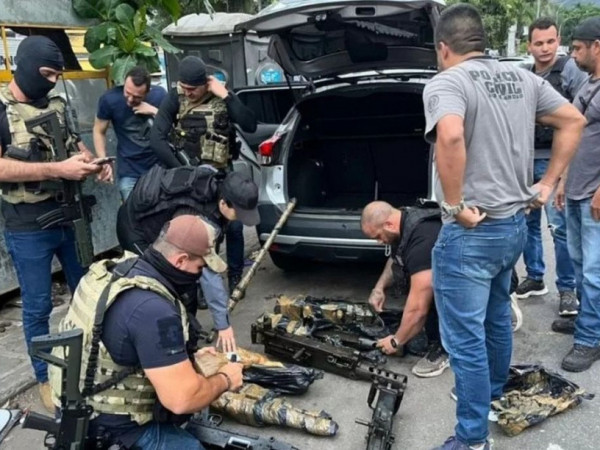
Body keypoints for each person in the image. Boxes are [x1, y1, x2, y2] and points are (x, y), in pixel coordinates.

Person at [423, 5, 585, 450]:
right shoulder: (523, 78)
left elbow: (450, 136)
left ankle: (472, 438)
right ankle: (492, 394)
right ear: (481, 40)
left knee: (464, 340)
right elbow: (573, 120)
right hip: (513, 225)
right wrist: (547, 184)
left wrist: (454, 205)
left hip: (471, 232)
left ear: (443, 47)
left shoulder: (447, 82)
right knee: (495, 316)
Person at [49, 215, 243, 449]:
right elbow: (182, 399)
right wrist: (225, 379)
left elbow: (121, 339)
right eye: (200, 267)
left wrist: (187, 359)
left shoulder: (115, 271)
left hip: (73, 407)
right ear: (181, 260)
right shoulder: (153, 310)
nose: (199, 274)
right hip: (109, 427)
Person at [0, 36, 108, 413]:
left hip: (71, 215)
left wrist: (92, 162)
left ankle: (91, 365)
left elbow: (75, 143)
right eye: (47, 74)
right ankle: (46, 378)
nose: (52, 82)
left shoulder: (58, 104)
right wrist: (56, 169)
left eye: (57, 75)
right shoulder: (2, 109)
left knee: (87, 293)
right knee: (37, 306)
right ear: (26, 66)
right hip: (28, 224)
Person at [116, 164, 260, 353]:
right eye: (239, 213)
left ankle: (188, 341)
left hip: (164, 224)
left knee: (188, 285)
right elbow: (209, 275)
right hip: (137, 230)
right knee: (164, 288)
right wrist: (223, 325)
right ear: (223, 203)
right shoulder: (198, 220)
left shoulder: (216, 180)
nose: (241, 219)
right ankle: (165, 350)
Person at [150, 55, 257, 295]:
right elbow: (156, 139)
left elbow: (250, 124)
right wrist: (183, 170)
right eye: (184, 87)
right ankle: (197, 283)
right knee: (198, 231)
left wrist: (226, 95)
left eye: (193, 89)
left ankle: (235, 276)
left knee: (234, 227)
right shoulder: (175, 97)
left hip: (222, 173)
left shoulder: (220, 94)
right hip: (191, 178)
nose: (188, 93)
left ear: (205, 83)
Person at [515, 18, 586, 317]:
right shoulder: (525, 75)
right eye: (539, 43)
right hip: (526, 159)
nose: (545, 48)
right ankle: (535, 277)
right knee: (527, 224)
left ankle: (567, 289)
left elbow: (580, 118)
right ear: (529, 46)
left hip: (555, 160)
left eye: (550, 41)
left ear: (559, 41)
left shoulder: (570, 70)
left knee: (559, 228)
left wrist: (567, 168)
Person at [555, 17, 600, 372]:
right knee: (580, 264)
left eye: (578, 48)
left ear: (597, 46)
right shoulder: (588, 83)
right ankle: (588, 318)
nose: (572, 54)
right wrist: (561, 181)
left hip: (594, 194)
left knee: (595, 271)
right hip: (575, 190)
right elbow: (576, 136)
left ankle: (590, 338)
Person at [361, 201, 450, 378]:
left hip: (471, 281)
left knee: (431, 297)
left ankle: (444, 348)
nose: (379, 242)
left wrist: (396, 341)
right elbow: (397, 257)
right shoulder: (404, 221)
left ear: (389, 225)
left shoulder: (423, 241)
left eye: (378, 236)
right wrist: (379, 288)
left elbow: (418, 308)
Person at [93, 65, 166, 200]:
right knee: (132, 210)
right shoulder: (109, 99)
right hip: (129, 170)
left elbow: (173, 126)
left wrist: (154, 111)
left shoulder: (160, 96)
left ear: (148, 92)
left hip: (159, 168)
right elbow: (99, 130)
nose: (130, 100)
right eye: (127, 93)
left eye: (137, 97)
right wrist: (103, 160)